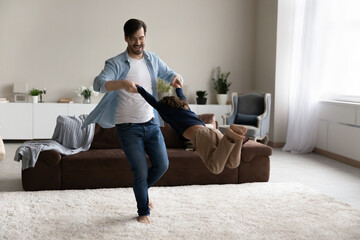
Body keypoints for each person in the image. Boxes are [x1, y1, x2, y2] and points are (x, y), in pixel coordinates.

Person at [82, 18, 182, 224]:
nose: (138, 43)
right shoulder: (116, 63)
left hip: (151, 123)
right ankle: (143, 211)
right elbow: (98, 84)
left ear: (145, 37)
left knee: (162, 165)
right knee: (140, 170)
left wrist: (176, 77)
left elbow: (169, 73)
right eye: (134, 39)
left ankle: (141, 189)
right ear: (126, 38)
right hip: (127, 126)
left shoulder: (152, 59)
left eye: (142, 38)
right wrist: (122, 83)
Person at [135, 82, 248, 175]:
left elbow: (152, 101)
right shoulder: (185, 106)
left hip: (201, 135)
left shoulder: (166, 111)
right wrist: (178, 87)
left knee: (215, 168)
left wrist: (138, 88)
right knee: (232, 164)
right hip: (213, 131)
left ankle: (229, 136)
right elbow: (181, 95)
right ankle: (236, 137)